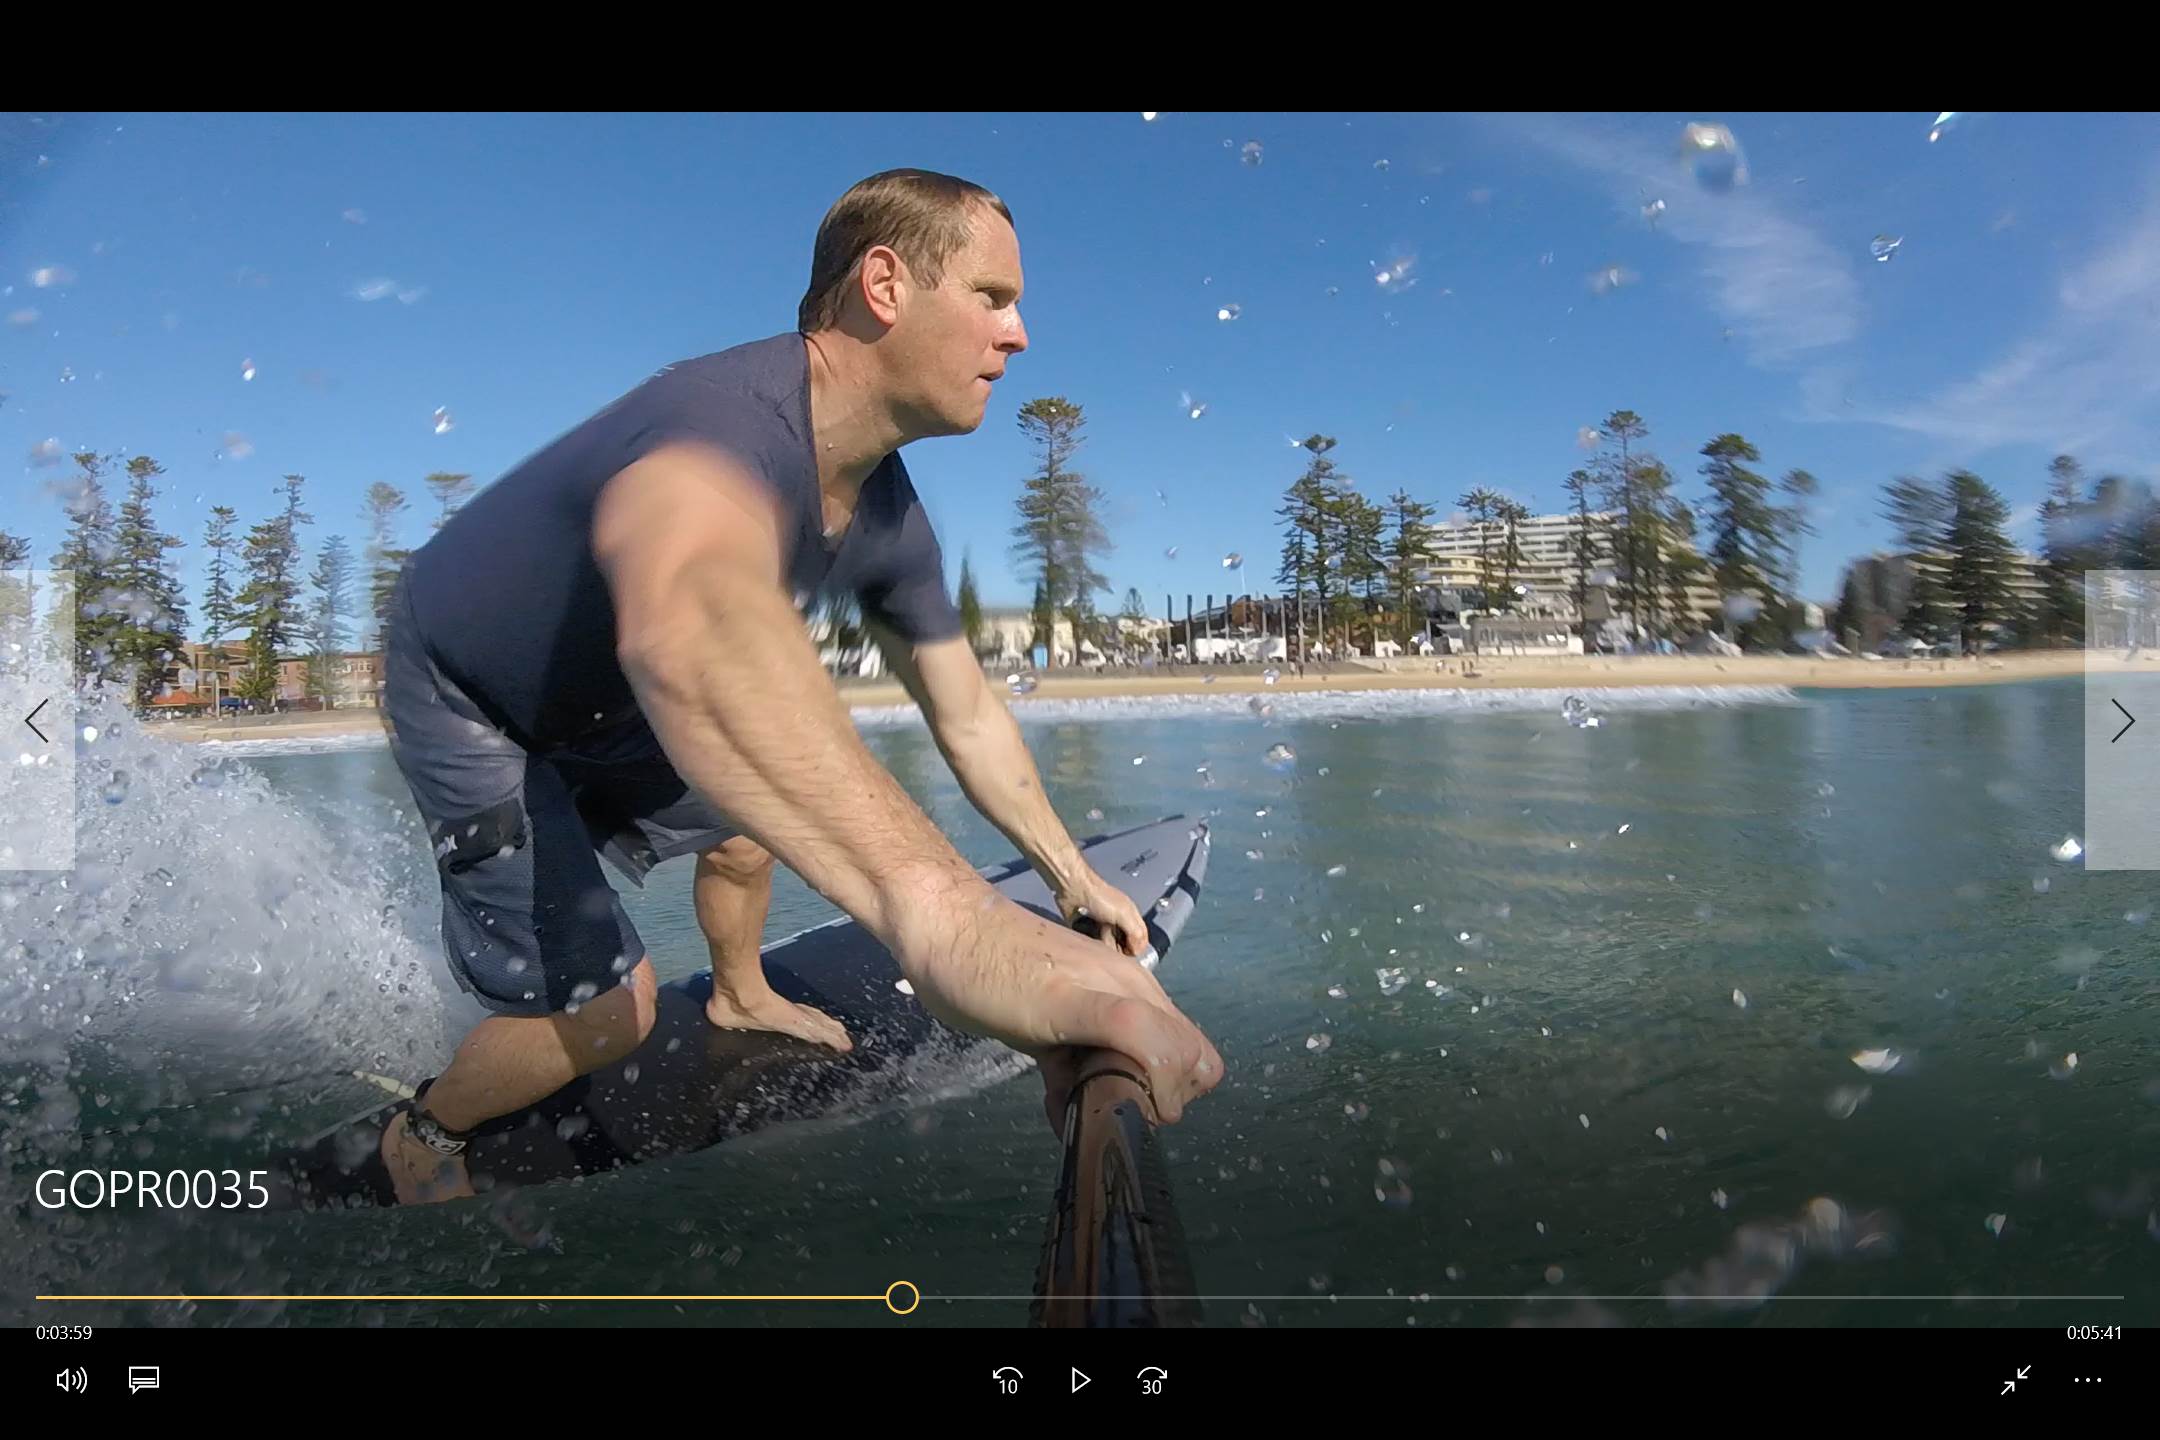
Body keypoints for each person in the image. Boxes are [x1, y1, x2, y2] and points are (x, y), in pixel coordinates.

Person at [374, 169, 1222, 1204]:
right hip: (474, 699)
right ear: (885, 285)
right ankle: (426, 1130)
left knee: (749, 822)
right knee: (609, 1016)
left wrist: (1068, 876)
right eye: (993, 297)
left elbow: (965, 713)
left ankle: (739, 993)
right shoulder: (715, 430)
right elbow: (694, 631)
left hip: (597, 689)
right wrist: (953, 923)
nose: (1020, 334)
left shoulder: (886, 514)